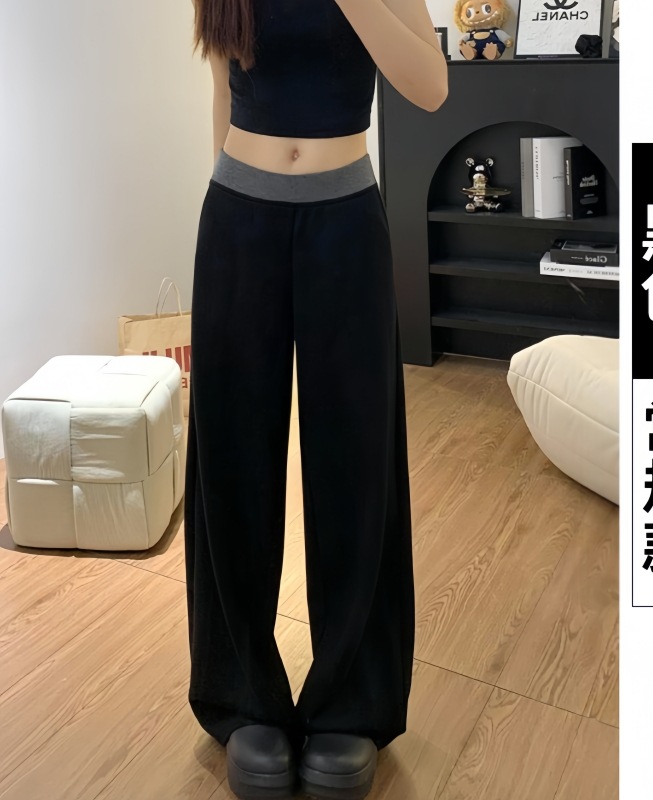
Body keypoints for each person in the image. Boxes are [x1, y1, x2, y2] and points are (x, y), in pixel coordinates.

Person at [184, 1, 448, 798]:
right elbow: (224, 91)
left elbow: (430, 86)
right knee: (230, 461)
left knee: (356, 464)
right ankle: (242, 696)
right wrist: (228, 213)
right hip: (238, 218)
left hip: (346, 221)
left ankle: (351, 702)